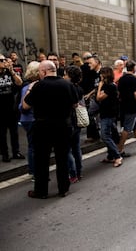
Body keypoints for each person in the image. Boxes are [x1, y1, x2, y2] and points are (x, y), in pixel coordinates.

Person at [23, 60, 78, 199]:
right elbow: (75, 104)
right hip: (63, 126)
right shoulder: (67, 85)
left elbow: (25, 106)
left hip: (43, 127)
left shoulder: (38, 86)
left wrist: (30, 88)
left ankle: (41, 191)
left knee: (42, 160)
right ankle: (63, 189)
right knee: (62, 158)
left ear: (43, 72)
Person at [117, 60, 136, 157]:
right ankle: (120, 150)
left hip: (123, 106)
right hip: (131, 107)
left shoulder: (121, 79)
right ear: (134, 68)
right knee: (127, 129)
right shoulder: (133, 79)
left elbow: (119, 93)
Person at [96, 67, 122, 167]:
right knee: (110, 135)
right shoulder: (108, 86)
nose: (100, 76)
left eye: (101, 74)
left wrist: (100, 86)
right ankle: (111, 156)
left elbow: (99, 97)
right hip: (106, 113)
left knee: (105, 136)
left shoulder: (110, 86)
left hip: (108, 114)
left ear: (105, 75)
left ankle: (117, 156)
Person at [0, 54, 24, 163]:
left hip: (11, 107)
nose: (4, 61)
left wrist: (12, 71)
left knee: (14, 132)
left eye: (4, 59)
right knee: (2, 133)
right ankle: (5, 154)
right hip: (1, 109)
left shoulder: (9, 72)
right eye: (1, 60)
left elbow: (20, 83)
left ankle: (16, 152)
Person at [19, 61, 40, 178]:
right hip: (32, 118)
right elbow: (24, 105)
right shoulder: (32, 87)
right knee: (34, 146)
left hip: (26, 119)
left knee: (32, 145)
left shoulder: (25, 87)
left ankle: (34, 170)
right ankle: (34, 171)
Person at [64, 66, 85, 182]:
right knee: (76, 148)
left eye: (66, 74)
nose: (64, 76)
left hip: (68, 121)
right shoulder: (79, 89)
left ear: (70, 76)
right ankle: (79, 171)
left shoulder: (67, 88)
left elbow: (73, 104)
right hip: (76, 121)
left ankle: (73, 174)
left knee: (67, 150)